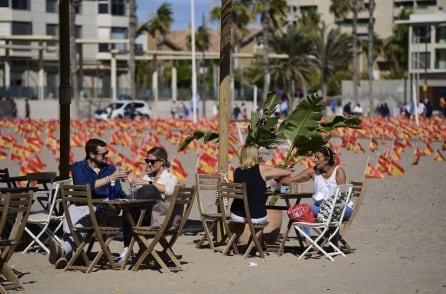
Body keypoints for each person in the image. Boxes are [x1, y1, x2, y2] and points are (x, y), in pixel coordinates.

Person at [48, 138, 128, 269]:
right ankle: (63, 253)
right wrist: (109, 179)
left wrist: (128, 186)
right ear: (91, 154)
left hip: (104, 210)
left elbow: (118, 192)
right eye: (103, 154)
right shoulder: (78, 167)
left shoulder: (110, 169)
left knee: (80, 220)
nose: (107, 156)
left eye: (107, 152)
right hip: (81, 206)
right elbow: (83, 186)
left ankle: (63, 252)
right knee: (76, 213)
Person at [281, 145, 353, 244]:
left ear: (327, 160)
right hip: (322, 209)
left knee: (303, 211)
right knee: (298, 211)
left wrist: (328, 205)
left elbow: (343, 195)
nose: (314, 160)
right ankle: (324, 240)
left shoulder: (338, 171)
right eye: (315, 157)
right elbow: (292, 180)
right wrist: (279, 178)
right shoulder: (314, 172)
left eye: (318, 158)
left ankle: (311, 242)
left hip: (341, 208)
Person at [119, 146, 178, 263]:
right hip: (144, 216)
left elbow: (170, 191)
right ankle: (127, 248)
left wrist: (149, 183)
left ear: (162, 162)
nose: (149, 164)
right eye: (147, 161)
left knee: (149, 189)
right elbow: (139, 197)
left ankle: (124, 203)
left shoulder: (171, 177)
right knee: (129, 211)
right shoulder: (147, 176)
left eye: (152, 161)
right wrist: (133, 183)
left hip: (161, 218)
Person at [230, 144, 291, 228]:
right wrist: (275, 180)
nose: (260, 155)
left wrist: (264, 184)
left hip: (236, 214)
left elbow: (249, 184)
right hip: (255, 216)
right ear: (254, 155)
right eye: (258, 153)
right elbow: (287, 172)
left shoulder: (236, 171)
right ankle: (257, 240)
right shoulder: (261, 169)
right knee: (262, 220)